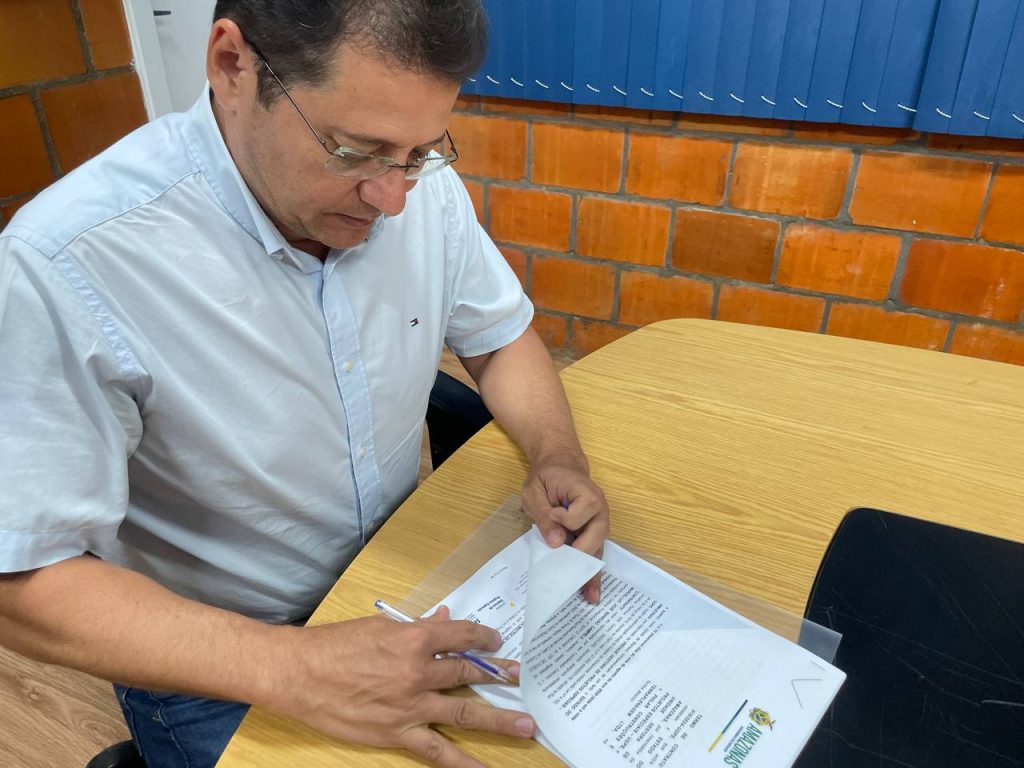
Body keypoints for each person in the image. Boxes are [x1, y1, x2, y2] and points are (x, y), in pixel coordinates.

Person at [0, 1, 610, 767]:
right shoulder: (66, 263)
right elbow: (21, 579)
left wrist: (558, 455)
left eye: (421, 152)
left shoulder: (421, 194)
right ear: (232, 66)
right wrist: (298, 668)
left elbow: (500, 338)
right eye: (355, 151)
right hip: (214, 655)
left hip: (395, 587)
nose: (393, 199)